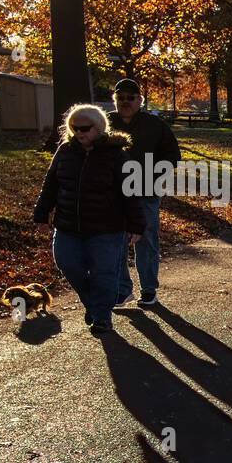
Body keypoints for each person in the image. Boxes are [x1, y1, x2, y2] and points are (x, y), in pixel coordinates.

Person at [33, 105, 144, 335]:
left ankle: (102, 317)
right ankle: (94, 304)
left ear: (99, 127)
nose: (80, 132)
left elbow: (131, 193)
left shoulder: (117, 155)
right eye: (75, 128)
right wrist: (41, 215)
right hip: (67, 226)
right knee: (68, 264)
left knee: (104, 274)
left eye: (85, 128)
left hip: (107, 229)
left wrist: (136, 225)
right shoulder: (64, 151)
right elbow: (51, 184)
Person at [109, 77, 180, 307]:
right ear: (115, 100)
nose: (125, 102)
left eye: (131, 98)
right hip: (113, 195)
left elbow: (172, 155)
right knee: (115, 240)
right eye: (121, 98)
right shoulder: (106, 124)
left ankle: (149, 290)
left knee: (146, 239)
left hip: (146, 191)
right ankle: (123, 289)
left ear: (140, 100)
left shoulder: (154, 125)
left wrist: (155, 177)